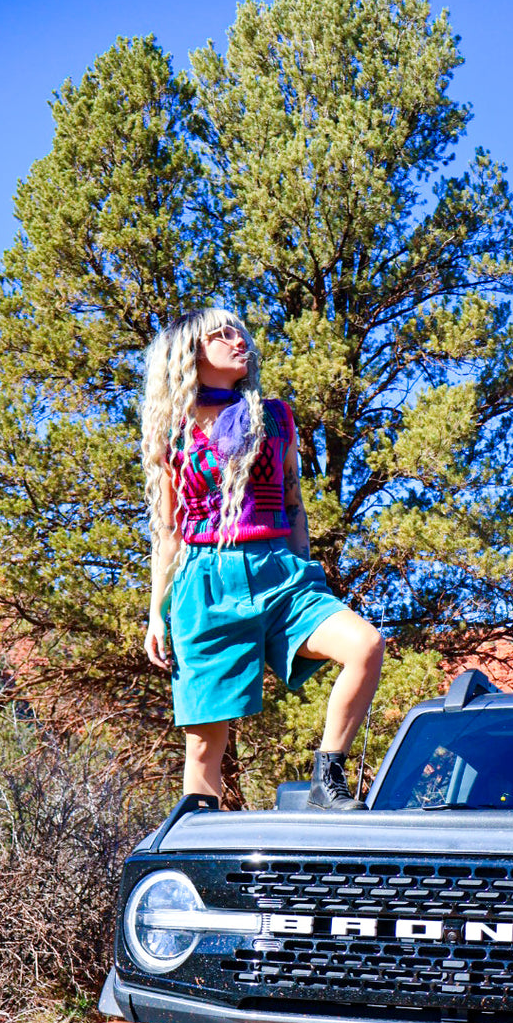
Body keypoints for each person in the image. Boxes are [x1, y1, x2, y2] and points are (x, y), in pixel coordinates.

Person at [141, 308, 384, 811]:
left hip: (281, 573)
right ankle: (195, 836)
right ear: (192, 353)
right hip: (206, 583)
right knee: (205, 745)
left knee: (365, 644)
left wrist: (307, 576)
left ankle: (327, 777)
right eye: (222, 334)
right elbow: (169, 533)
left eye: (239, 331)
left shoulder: (273, 417)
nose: (239, 340)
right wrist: (156, 615)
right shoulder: (175, 435)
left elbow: (294, 507)